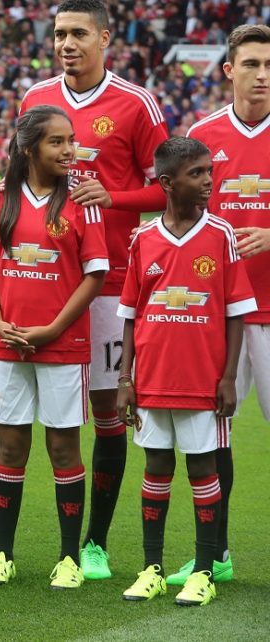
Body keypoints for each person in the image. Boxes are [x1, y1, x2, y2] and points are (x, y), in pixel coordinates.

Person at [0, 0, 169, 578]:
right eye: (59, 33)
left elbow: (170, 189)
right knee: (7, 424)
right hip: (39, 283)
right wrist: (0, 195)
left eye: (78, 34)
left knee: (103, 415)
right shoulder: (36, 98)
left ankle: (91, 544)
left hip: (109, 282)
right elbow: (21, 169)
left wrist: (111, 197)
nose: (67, 43)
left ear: (105, 38)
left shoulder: (138, 103)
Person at [0, 106, 108, 587]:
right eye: (57, 142)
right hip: (7, 344)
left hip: (62, 347)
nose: (69, 150)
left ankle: (69, 558)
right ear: (30, 148)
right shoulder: (1, 200)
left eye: (71, 140)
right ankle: (3, 554)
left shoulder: (83, 202)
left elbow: (94, 276)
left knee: (63, 446)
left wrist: (52, 330)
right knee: (9, 447)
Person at [116, 136, 255, 607]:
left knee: (202, 467)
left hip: (202, 380)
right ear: (167, 183)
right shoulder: (143, 239)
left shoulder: (221, 235)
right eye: (197, 174)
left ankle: (203, 570)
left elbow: (236, 311)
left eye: (209, 173)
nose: (207, 182)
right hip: (152, 378)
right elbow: (131, 314)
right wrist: (124, 379)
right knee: (156, 466)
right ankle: (152, 567)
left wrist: (229, 376)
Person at [175, 23, 270, 585]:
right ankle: (217, 552)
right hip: (220, 316)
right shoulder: (203, 134)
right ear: (230, 70)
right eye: (253, 64)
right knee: (212, 436)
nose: (263, 75)